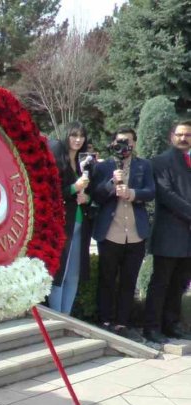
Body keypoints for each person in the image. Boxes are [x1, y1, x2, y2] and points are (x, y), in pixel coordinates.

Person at [90, 127, 154, 342]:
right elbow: (96, 196)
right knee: (107, 279)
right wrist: (111, 183)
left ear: (134, 143)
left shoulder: (144, 165)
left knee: (129, 280)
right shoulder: (103, 166)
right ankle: (105, 321)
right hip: (110, 232)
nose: (124, 145)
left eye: (127, 141)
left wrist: (132, 193)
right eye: (119, 141)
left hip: (136, 234)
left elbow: (151, 192)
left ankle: (122, 323)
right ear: (113, 144)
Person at [143, 120, 191, 343]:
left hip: (188, 237)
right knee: (160, 283)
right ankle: (151, 327)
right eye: (180, 134)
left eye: (187, 135)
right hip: (169, 233)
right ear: (172, 136)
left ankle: (171, 324)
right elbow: (166, 195)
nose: (183, 138)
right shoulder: (160, 162)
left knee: (180, 283)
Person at [47, 122, 94, 315]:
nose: (78, 139)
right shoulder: (59, 159)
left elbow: (92, 193)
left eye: (81, 136)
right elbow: (53, 192)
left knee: (73, 275)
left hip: (80, 224)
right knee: (59, 272)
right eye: (74, 135)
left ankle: (66, 316)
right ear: (67, 136)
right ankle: (56, 317)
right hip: (63, 224)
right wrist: (75, 187)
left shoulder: (86, 162)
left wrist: (87, 198)